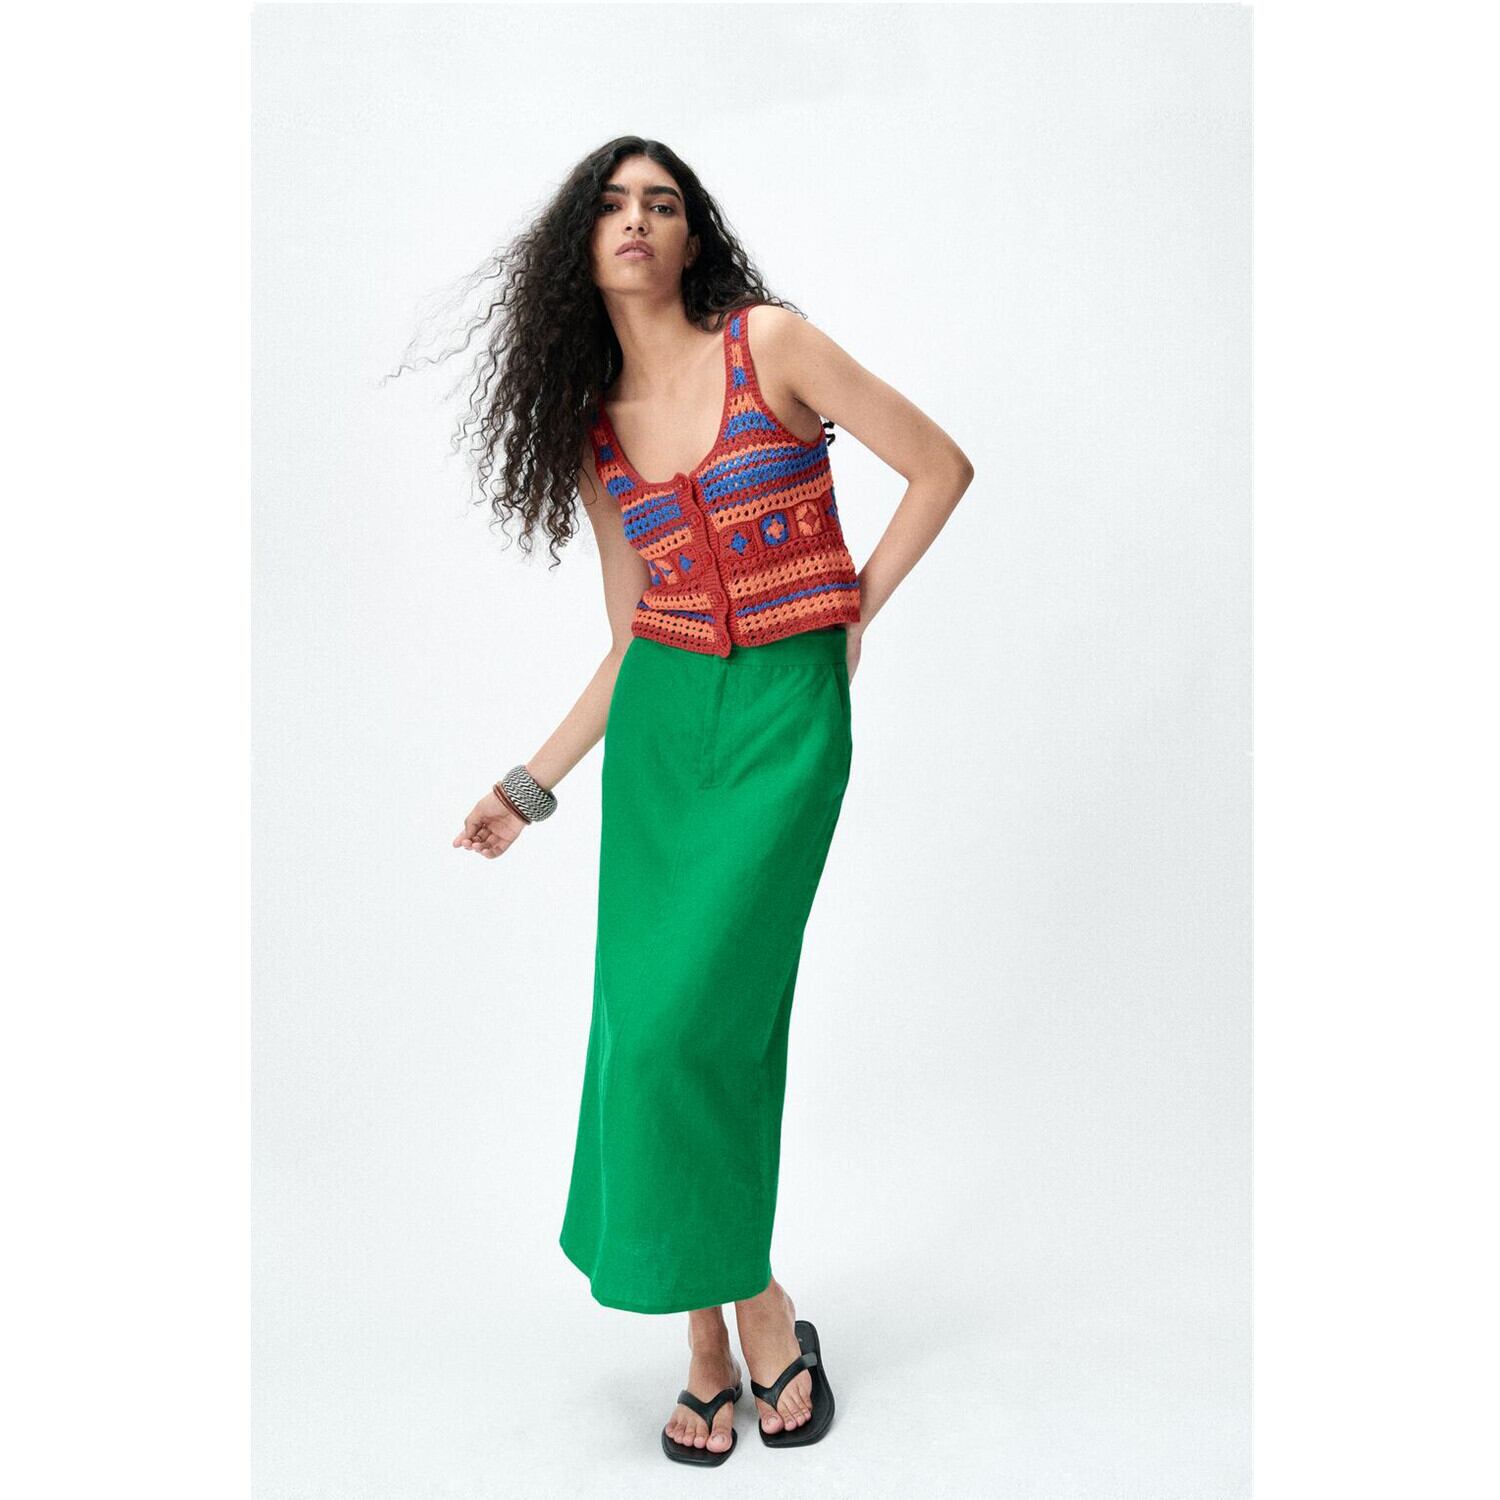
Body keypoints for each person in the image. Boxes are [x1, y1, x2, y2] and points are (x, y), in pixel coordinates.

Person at [440, 137, 973, 1464]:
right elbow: (632, 635)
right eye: (612, 204)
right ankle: (711, 1335)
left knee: (702, 1029)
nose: (636, 220)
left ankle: (757, 1304)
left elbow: (940, 467)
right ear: (582, 245)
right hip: (663, 737)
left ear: (693, 237)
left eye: (662, 203)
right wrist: (531, 783)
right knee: (647, 1036)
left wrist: (849, 614)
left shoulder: (768, 347)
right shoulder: (593, 432)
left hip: (785, 726)